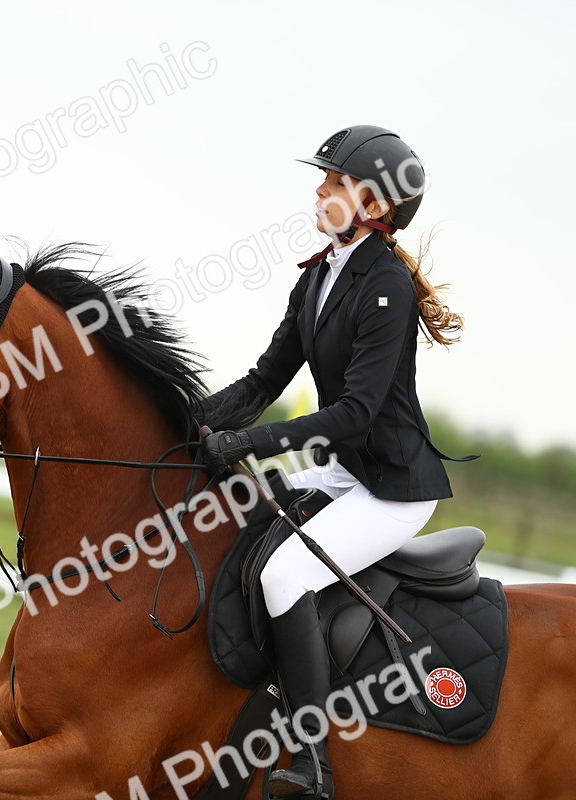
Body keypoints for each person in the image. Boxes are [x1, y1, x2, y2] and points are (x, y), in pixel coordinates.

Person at [194, 125, 470, 799]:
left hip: (392, 490)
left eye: (335, 182)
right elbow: (264, 381)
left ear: (373, 203)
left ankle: (313, 760)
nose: (320, 191)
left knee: (286, 576)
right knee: (237, 525)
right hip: (346, 473)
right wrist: (191, 420)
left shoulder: (385, 288)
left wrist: (247, 445)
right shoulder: (319, 275)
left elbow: (356, 414)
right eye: (323, 180)